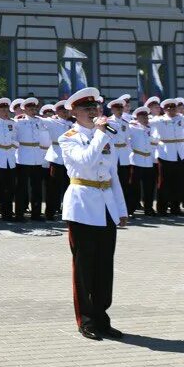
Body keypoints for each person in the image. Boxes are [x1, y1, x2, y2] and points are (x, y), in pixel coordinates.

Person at [58, 87, 127, 341]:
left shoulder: (106, 136)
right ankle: (86, 320)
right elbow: (85, 162)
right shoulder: (69, 137)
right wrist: (99, 134)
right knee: (84, 267)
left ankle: (102, 317)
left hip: (106, 206)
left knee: (104, 266)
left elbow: (114, 176)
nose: (92, 112)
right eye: (86, 109)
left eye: (94, 108)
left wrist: (121, 209)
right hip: (82, 207)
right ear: (74, 112)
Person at [125, 107, 157, 216]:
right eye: (142, 117)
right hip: (136, 160)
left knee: (149, 187)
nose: (145, 118)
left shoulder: (151, 128)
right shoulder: (132, 127)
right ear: (137, 117)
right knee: (134, 188)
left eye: (146, 116)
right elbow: (126, 139)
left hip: (149, 160)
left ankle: (148, 208)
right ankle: (131, 209)